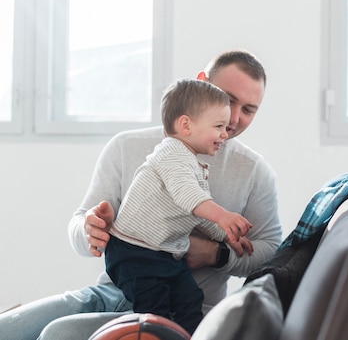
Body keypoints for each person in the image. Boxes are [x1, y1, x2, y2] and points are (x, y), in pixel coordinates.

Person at [0, 50, 282, 340]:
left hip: (182, 310)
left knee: (58, 334)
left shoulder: (255, 172)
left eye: (248, 110)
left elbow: (271, 253)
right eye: (228, 99)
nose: (233, 118)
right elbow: (79, 223)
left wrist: (214, 254)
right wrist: (90, 230)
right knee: (7, 330)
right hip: (111, 290)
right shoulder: (128, 146)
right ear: (201, 85)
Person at [105, 79, 253, 334]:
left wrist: (226, 236)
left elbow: (197, 214)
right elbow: (190, 198)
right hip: (134, 253)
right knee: (154, 310)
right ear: (185, 125)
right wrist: (224, 216)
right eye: (218, 126)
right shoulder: (171, 153)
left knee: (190, 298)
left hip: (165, 254)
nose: (225, 133)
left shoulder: (191, 163)